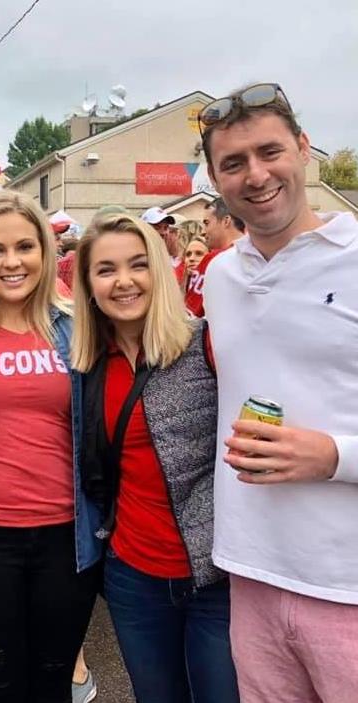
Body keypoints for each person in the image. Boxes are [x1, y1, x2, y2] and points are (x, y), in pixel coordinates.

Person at [200, 82, 358, 702]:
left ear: (304, 148)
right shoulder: (219, 276)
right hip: (252, 572)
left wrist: (333, 457)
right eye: (233, 163)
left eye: (270, 152)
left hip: (348, 585)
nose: (256, 175)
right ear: (215, 178)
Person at [0, 191, 102, 702]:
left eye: (25, 247)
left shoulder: (79, 328)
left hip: (65, 540)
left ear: (45, 253)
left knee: (52, 685)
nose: (12, 262)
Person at [72, 212, 239, 703]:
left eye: (138, 265)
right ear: (88, 284)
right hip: (133, 578)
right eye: (105, 270)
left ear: (159, 272)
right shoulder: (85, 366)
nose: (123, 281)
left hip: (217, 581)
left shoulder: (207, 343)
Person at [185, 198, 244, 317]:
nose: (203, 231)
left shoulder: (214, 260)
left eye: (207, 223)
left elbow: (190, 314)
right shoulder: (264, 253)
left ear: (226, 221)